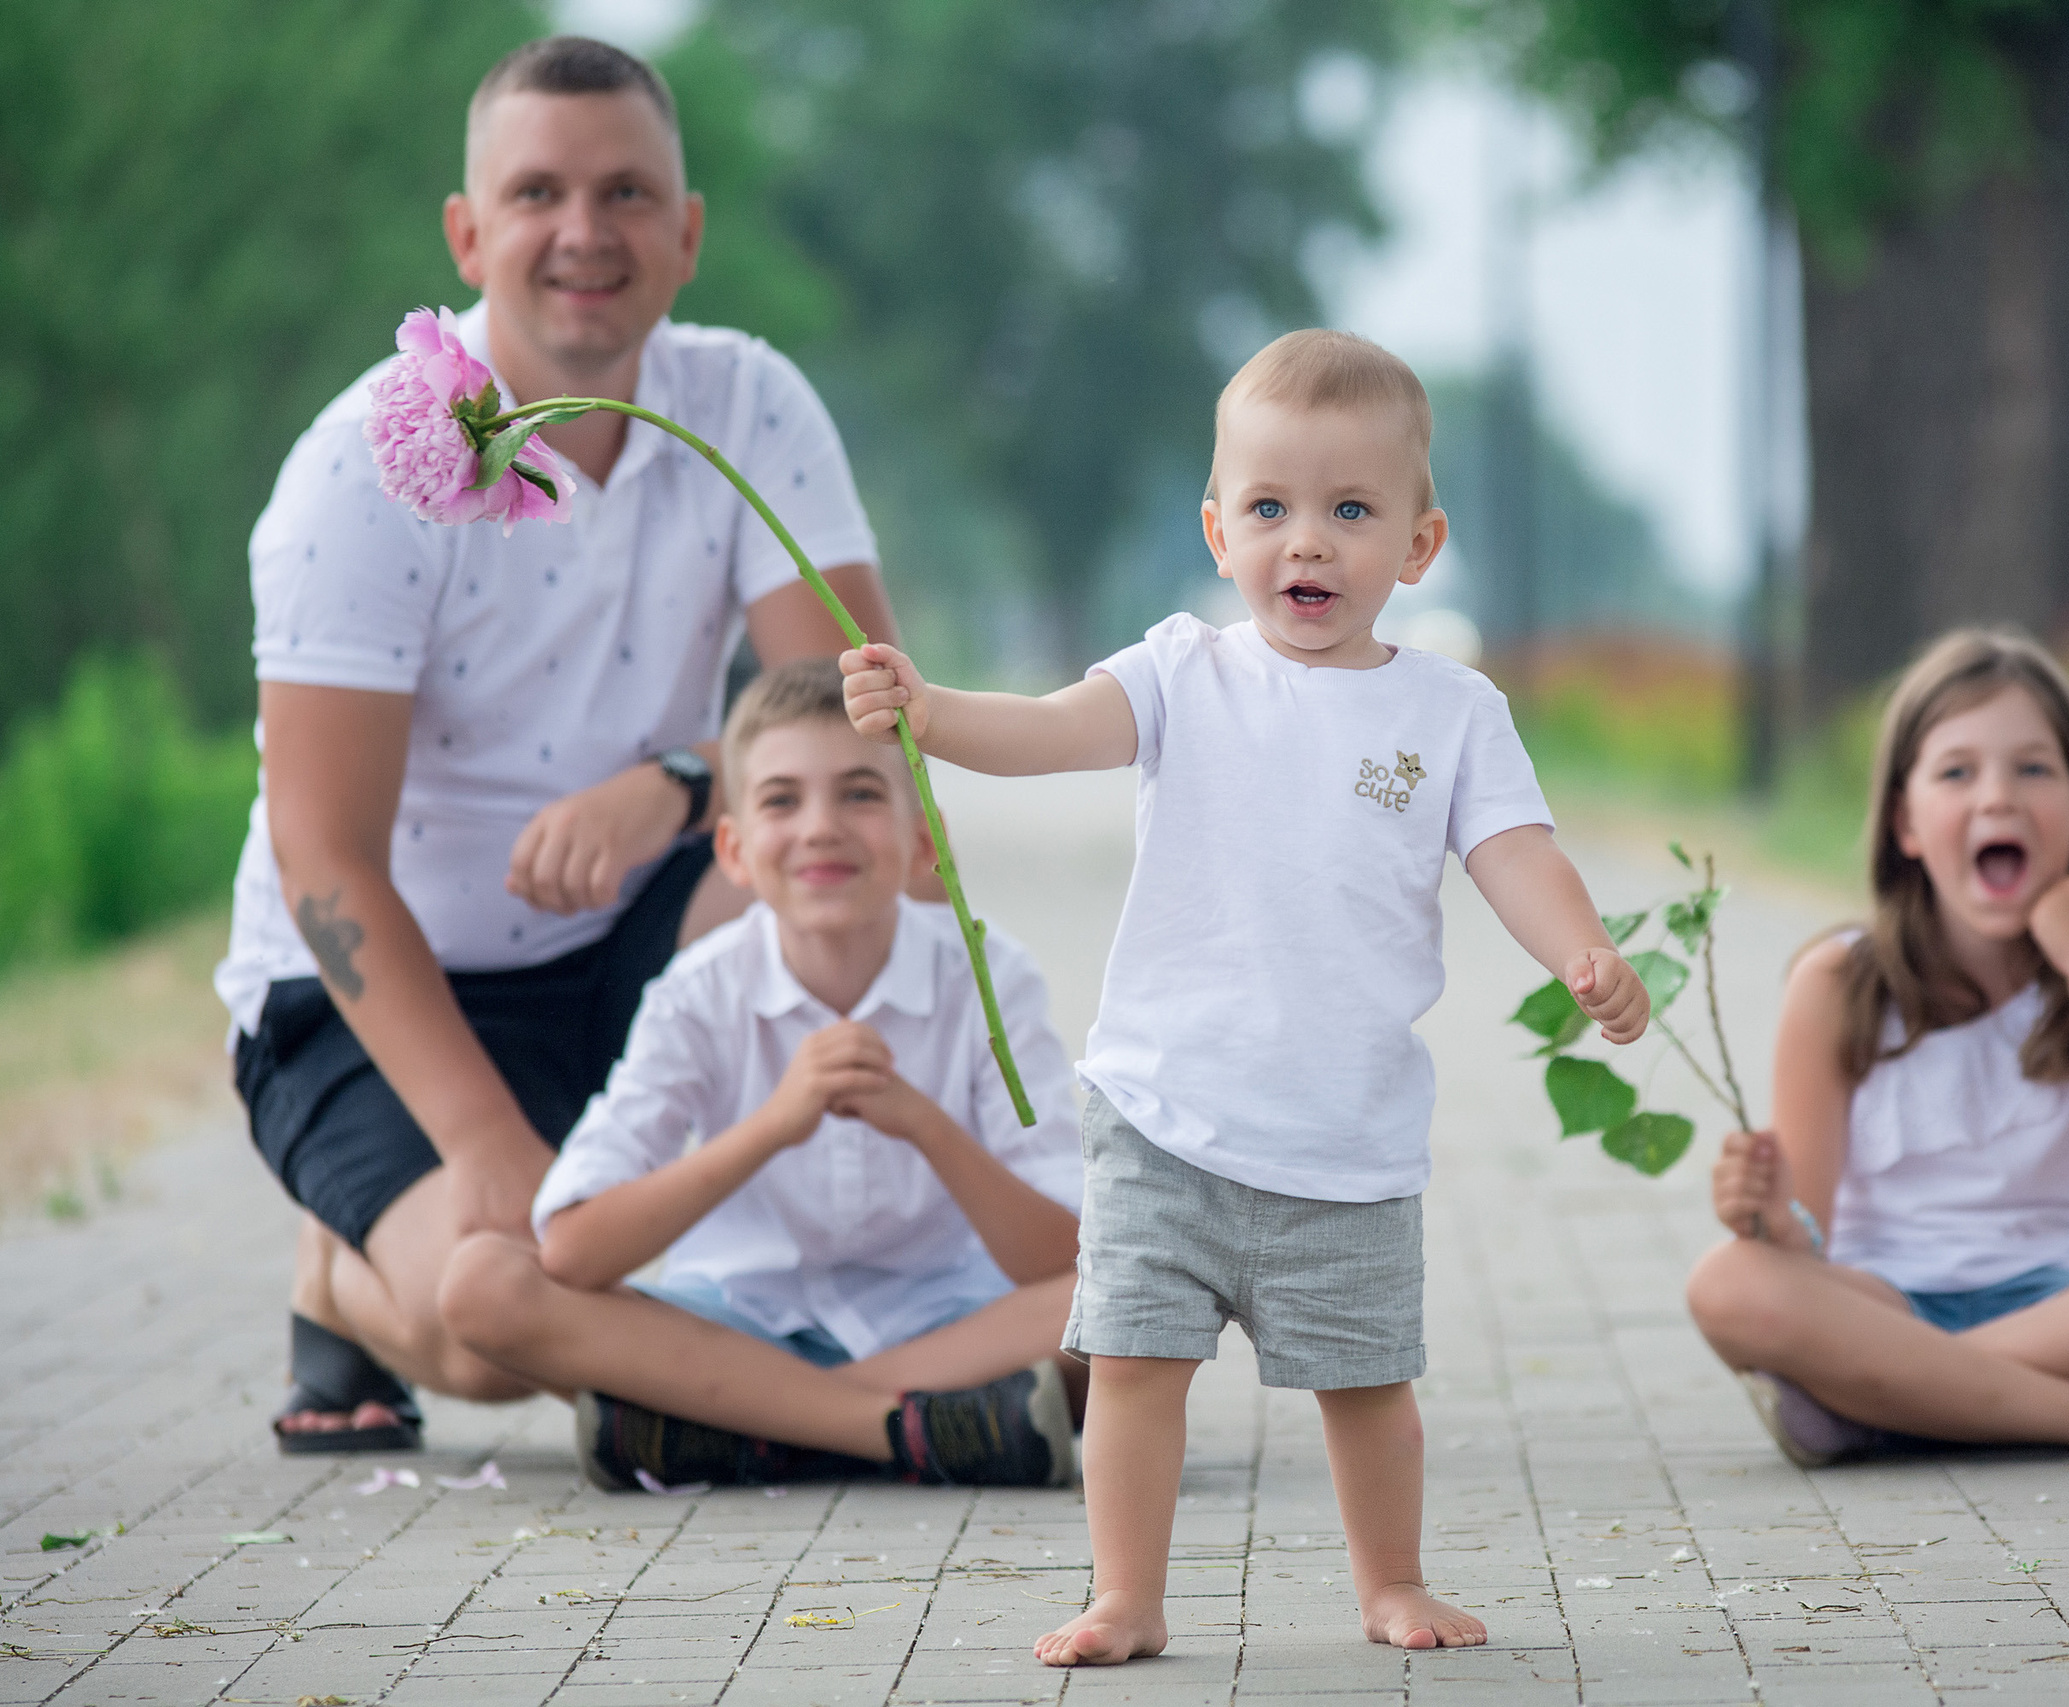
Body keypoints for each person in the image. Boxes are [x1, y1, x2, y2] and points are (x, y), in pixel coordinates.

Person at [839, 329, 1652, 1665]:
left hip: (1345, 1134)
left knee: (1368, 1385)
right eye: (1270, 508)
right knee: (1135, 1370)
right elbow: (1050, 728)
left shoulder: (1451, 711)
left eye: (1350, 511)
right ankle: (1127, 1594)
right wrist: (930, 712)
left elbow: (1519, 850)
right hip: (1165, 1111)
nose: (1308, 544)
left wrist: (1583, 951)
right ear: (1219, 529)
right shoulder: (1181, 672)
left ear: (1419, 541)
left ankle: (1391, 1578)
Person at [217, 36, 898, 1454]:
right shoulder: (361, 467)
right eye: (537, 193)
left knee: (872, 859)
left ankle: (841, 1272)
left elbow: (862, 722)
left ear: (690, 232)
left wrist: (678, 783)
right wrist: (483, 1150)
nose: (585, 233)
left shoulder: (749, 401)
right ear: (468, 234)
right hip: (377, 987)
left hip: (627, 935)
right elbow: (322, 853)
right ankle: (340, 1263)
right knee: (490, 1330)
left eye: (629, 194)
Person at [436, 659, 1084, 1489]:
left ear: (926, 837)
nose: (820, 827)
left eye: (859, 793)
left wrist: (925, 1123)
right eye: (782, 799)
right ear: (736, 851)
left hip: (946, 1323)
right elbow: (569, 1249)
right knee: (482, 1284)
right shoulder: (698, 990)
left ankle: (745, 1427)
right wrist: (775, 1123)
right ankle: (898, 1431)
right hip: (735, 1324)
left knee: (1123, 1296)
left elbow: (1063, 1255)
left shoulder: (991, 979)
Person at [1686, 628, 2069, 1467]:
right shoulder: (1838, 981)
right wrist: (1770, 1214)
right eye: (1957, 772)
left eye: (2033, 768)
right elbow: (1809, 1237)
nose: (1998, 797)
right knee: (1728, 1285)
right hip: (1884, 1301)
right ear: (1906, 823)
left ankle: (1884, 1404)